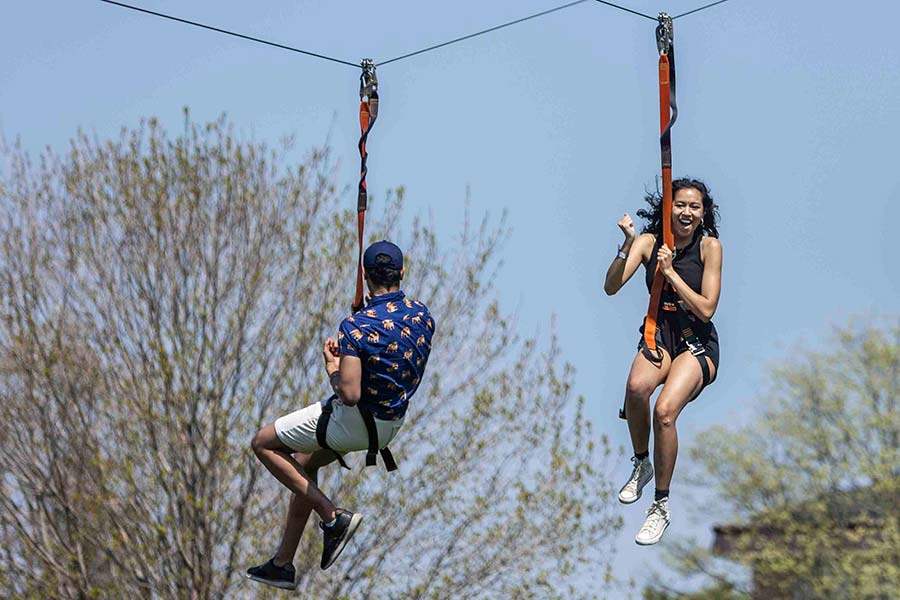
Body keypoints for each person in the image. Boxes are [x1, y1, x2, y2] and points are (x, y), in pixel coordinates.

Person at [246, 240, 435, 589]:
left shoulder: (356, 327)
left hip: (356, 423)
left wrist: (334, 364)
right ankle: (282, 564)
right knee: (303, 463)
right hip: (390, 425)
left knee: (263, 443)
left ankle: (332, 517)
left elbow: (348, 393)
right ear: (402, 273)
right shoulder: (423, 316)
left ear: (364, 275)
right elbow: (390, 345)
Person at [604, 178, 722, 546]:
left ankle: (660, 504)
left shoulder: (709, 247)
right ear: (668, 206)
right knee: (636, 389)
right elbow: (611, 286)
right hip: (660, 335)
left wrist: (670, 273)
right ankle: (641, 463)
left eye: (695, 207)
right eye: (680, 205)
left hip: (695, 343)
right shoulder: (650, 242)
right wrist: (626, 246)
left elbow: (706, 308)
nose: (686, 213)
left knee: (665, 412)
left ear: (703, 213)